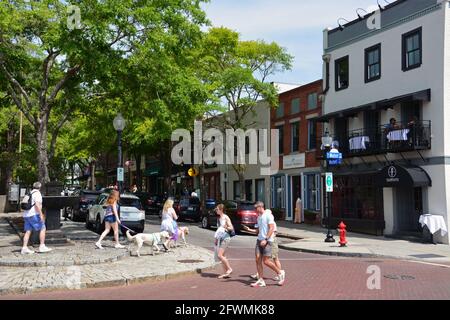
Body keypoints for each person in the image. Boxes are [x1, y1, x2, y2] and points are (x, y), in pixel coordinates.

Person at [243, 201, 285, 287]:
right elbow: (257, 231)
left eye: (256, 208)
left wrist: (266, 239)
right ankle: (261, 280)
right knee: (257, 260)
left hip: (267, 241)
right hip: (259, 240)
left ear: (260, 207)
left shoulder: (268, 215)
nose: (255, 210)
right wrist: (248, 230)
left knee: (266, 261)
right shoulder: (259, 217)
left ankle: (280, 273)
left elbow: (272, 228)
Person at [250, 211, 284, 282]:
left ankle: (280, 272)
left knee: (274, 258)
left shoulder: (271, 222)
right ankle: (259, 276)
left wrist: (267, 239)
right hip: (263, 241)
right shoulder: (261, 219)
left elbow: (274, 232)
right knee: (260, 259)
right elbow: (259, 230)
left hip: (271, 242)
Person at [21, 182, 53, 254]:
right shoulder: (37, 194)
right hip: (34, 214)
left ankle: (24, 248)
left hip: (26, 215)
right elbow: (37, 205)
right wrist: (41, 214)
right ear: (40, 187)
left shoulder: (30, 193)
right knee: (42, 228)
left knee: (28, 231)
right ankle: (42, 246)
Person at [214, 204, 234, 279]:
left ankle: (229, 269)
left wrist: (225, 227)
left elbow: (231, 228)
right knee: (223, 256)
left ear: (221, 210)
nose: (216, 211)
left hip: (226, 238)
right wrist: (216, 239)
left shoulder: (225, 217)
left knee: (220, 255)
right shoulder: (220, 218)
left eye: (217, 209)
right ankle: (226, 273)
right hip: (221, 238)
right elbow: (219, 230)